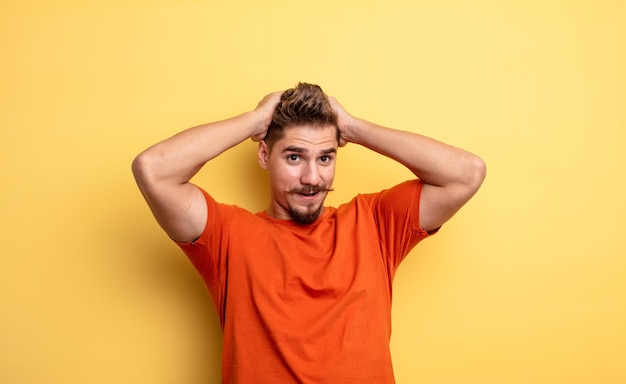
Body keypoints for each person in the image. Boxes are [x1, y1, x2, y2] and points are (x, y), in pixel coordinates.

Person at [132, 82, 486, 383]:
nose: (313, 179)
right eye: (295, 157)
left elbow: (467, 172)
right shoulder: (226, 235)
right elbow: (153, 169)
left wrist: (352, 127)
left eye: (325, 158)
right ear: (264, 154)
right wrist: (255, 120)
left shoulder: (375, 222)